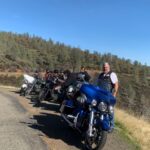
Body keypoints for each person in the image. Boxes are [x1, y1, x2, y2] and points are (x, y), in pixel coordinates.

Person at [97, 62, 119, 132]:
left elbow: (116, 85)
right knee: (99, 108)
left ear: (109, 67)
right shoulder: (101, 75)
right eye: (104, 67)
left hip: (108, 95)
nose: (104, 68)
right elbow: (97, 84)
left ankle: (111, 126)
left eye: (106, 67)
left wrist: (114, 95)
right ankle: (100, 123)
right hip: (99, 95)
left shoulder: (112, 74)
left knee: (110, 110)